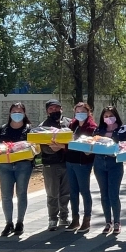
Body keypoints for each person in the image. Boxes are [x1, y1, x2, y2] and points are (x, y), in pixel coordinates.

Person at [0, 102, 32, 237]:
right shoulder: (2, 129)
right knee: (6, 195)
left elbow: (34, 148)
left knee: (21, 193)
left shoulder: (29, 130)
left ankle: (20, 222)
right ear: (10, 113)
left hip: (23, 165)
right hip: (5, 166)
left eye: (20, 112)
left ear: (24, 113)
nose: (17, 114)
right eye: (14, 111)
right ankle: (8, 222)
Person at [93, 106, 126, 235]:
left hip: (115, 164)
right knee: (104, 194)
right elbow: (93, 145)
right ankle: (107, 222)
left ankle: (117, 222)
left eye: (111, 115)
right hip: (99, 164)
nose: (108, 118)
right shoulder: (98, 130)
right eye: (106, 116)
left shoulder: (123, 129)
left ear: (116, 116)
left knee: (113, 194)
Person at [64, 102, 97, 233]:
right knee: (73, 192)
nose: (80, 114)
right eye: (77, 111)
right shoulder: (73, 125)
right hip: (70, 161)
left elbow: (93, 145)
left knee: (84, 191)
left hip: (83, 162)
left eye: (83, 111)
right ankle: (75, 219)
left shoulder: (92, 127)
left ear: (88, 112)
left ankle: (87, 218)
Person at [39, 99, 71, 231]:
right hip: (50, 164)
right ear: (47, 111)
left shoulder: (69, 123)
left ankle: (64, 216)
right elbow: (41, 145)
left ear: (61, 109)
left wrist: (64, 147)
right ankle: (52, 218)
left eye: (57, 108)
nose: (54, 110)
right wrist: (54, 149)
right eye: (51, 109)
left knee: (65, 192)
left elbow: (75, 139)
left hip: (67, 163)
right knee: (52, 193)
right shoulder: (42, 126)